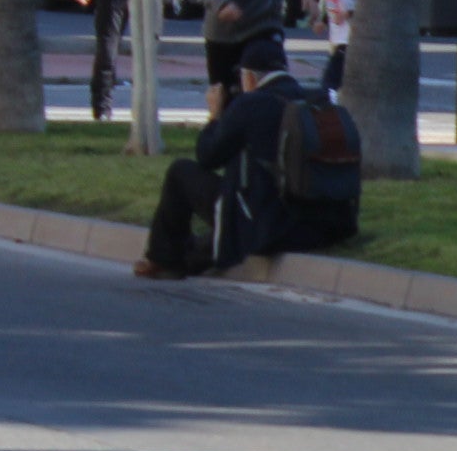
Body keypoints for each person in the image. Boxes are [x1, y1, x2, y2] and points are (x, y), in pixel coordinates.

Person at [132, 34, 319, 278]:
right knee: (209, 242)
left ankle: (162, 258)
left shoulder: (250, 105)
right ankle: (186, 257)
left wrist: (215, 116)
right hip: (305, 222)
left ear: (250, 77)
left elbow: (208, 156)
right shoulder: (312, 99)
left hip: (260, 218)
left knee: (180, 172)